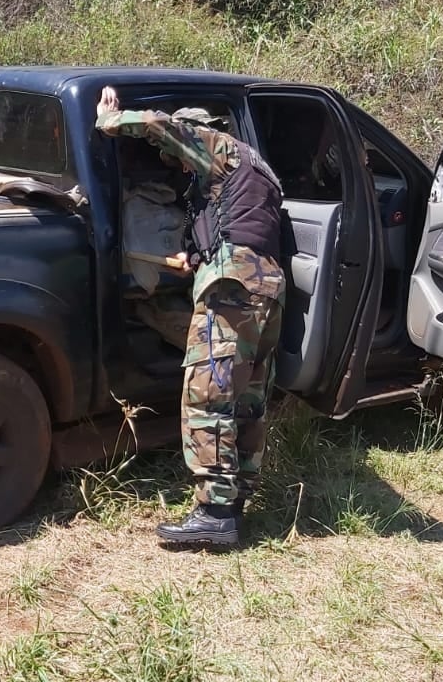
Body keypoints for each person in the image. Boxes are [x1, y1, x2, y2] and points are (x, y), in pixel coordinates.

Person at [95, 87, 287, 546]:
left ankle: (215, 514)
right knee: (247, 398)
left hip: (233, 287)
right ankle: (234, 503)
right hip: (266, 286)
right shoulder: (260, 168)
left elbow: (160, 126)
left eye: (179, 158)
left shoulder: (215, 146)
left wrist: (109, 120)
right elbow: (240, 225)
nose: (177, 165)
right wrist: (199, 255)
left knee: (208, 392)